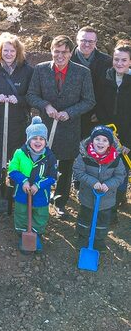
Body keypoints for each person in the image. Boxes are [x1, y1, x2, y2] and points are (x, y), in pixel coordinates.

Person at [26, 35, 95, 219]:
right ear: (51, 51)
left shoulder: (82, 72)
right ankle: (42, 195)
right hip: (45, 128)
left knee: (65, 166)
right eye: (56, 51)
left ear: (71, 53)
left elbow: (89, 101)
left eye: (64, 51)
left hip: (69, 127)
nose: (60, 55)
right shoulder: (40, 70)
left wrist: (70, 112)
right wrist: (46, 106)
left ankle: (60, 201)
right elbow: (31, 95)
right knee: (43, 163)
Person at [0, 32, 34, 178]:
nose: (9, 54)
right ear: (0, 51)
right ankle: (0, 181)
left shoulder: (28, 71)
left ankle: (18, 182)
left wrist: (20, 100)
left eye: (12, 50)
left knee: (19, 153)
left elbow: (33, 96)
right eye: (5, 50)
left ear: (18, 52)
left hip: (20, 122)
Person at [8, 117, 58, 254]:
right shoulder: (20, 153)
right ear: (28, 139)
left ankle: (36, 234)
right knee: (21, 212)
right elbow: (12, 170)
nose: (38, 141)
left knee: (40, 214)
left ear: (45, 141)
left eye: (41, 139)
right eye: (34, 138)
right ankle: (23, 233)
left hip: (41, 194)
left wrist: (38, 185)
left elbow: (52, 176)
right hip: (22, 192)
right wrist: (23, 181)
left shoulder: (49, 156)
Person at [73, 125, 126, 251]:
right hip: (87, 197)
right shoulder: (84, 156)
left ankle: (98, 240)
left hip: (106, 199)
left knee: (102, 222)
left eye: (104, 140)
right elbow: (78, 172)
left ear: (109, 144)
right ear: (92, 141)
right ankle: (82, 238)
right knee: (84, 219)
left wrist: (109, 184)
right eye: (97, 139)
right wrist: (93, 182)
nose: (100, 143)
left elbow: (120, 176)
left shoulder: (115, 159)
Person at [95, 40, 131, 221]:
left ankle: (118, 199)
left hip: (126, 135)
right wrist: (106, 126)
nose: (119, 63)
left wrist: (128, 143)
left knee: (122, 170)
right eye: (117, 59)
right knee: (107, 168)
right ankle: (107, 205)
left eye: (124, 60)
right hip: (108, 132)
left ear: (130, 62)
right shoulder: (106, 77)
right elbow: (99, 103)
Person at [72, 26, 111, 137]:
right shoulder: (67, 59)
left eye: (90, 41)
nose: (87, 44)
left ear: (96, 42)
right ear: (77, 40)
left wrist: (100, 113)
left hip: (96, 116)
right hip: (72, 115)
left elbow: (108, 90)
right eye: (83, 40)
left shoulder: (106, 61)